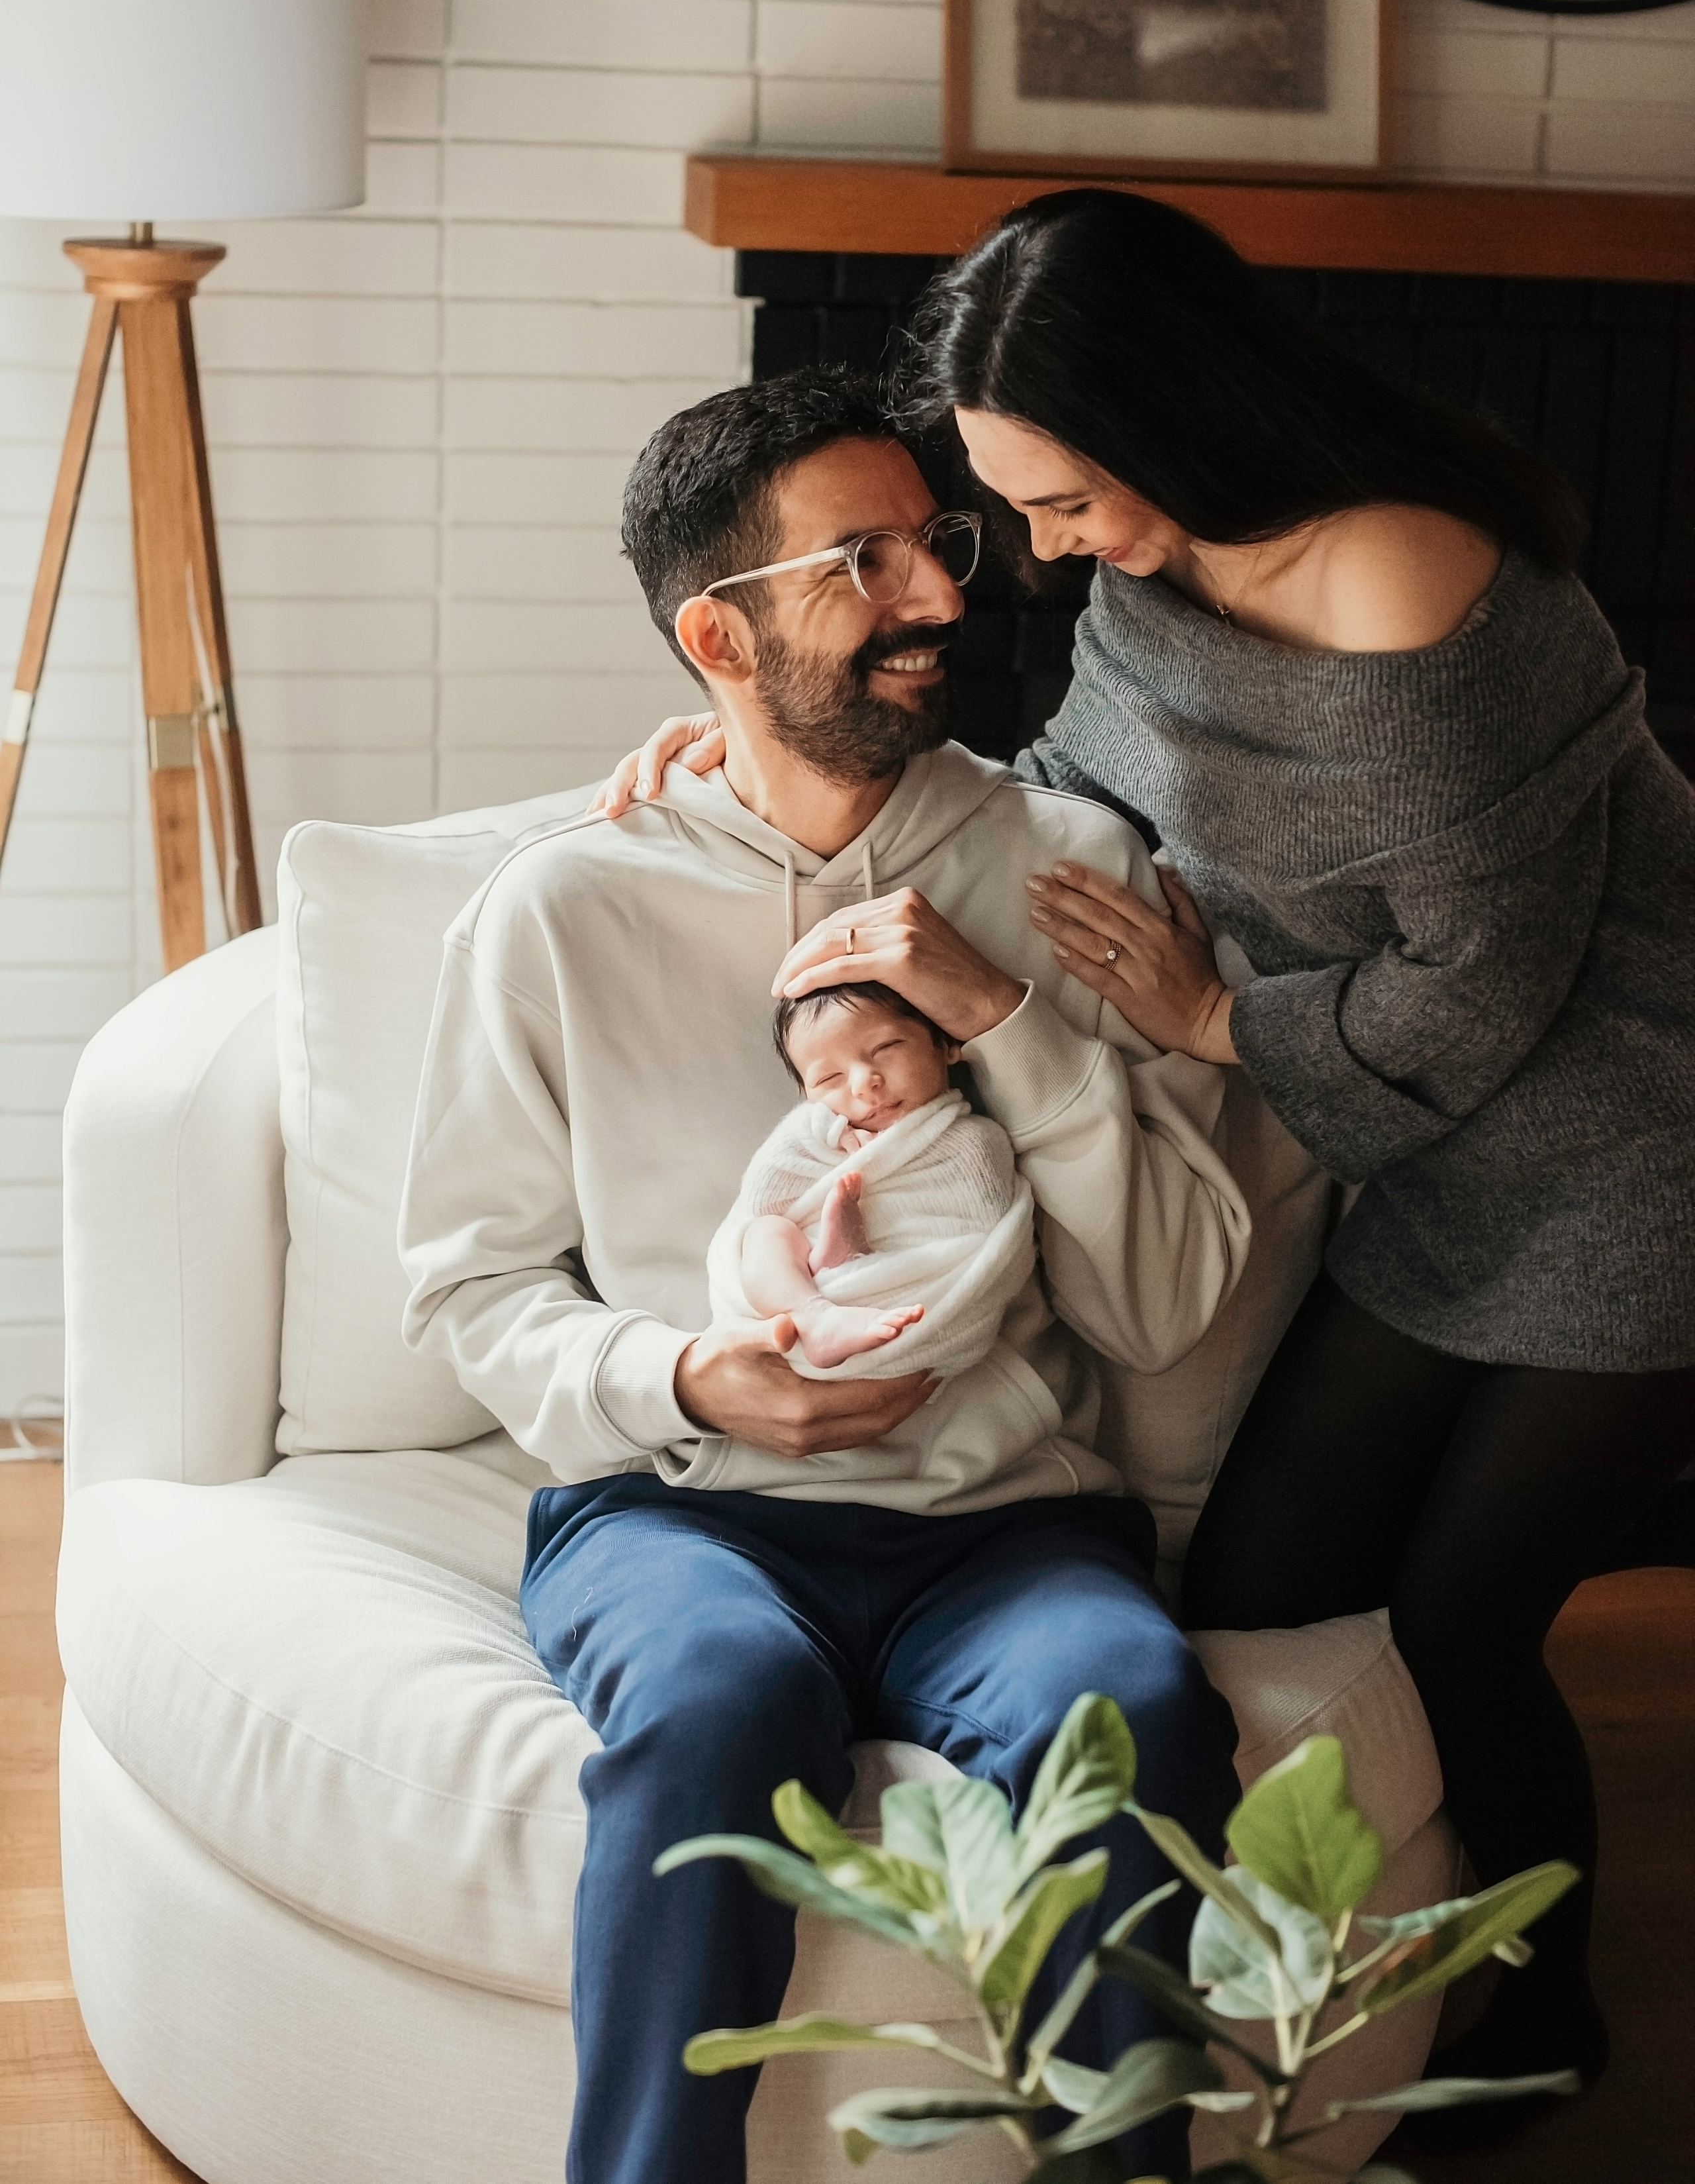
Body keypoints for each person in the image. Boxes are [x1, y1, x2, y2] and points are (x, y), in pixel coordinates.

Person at [605, 190, 1695, 2155]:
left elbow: (1475, 998)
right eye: (1016, 509)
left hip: (1631, 1154)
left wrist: (1207, 1030)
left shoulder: (1428, 599)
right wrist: (729, 734)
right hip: (1427, 1172)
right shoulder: (1159, 563)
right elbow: (1076, 787)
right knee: (1262, 1583)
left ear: (1183, 421)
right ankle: (1260, 2029)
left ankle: (1533, 2044)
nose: (1042, 553)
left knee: (1453, 1631)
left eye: (1067, 500)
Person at [398, 366, 1253, 2184]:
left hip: (1007, 1527)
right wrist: (690, 1382)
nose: (945, 596)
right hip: (682, 1517)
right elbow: (471, 1288)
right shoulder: (562, 904)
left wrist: (1006, 1022)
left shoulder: (1071, 869)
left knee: (1139, 1709)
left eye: (934, 543)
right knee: (712, 1705)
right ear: (719, 633)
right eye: (863, 563)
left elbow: (1169, 1306)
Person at [712, 979, 1032, 1377]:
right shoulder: (817, 1137)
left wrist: (880, 1259)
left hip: (915, 1285)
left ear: (946, 1044)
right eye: (830, 1079)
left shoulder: (974, 1139)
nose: (865, 1083)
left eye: (885, 1049)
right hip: (806, 1294)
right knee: (766, 1233)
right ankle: (815, 1313)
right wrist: (820, 1131)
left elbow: (987, 1226)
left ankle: (847, 1258)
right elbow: (764, 1199)